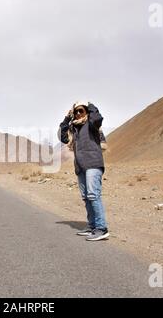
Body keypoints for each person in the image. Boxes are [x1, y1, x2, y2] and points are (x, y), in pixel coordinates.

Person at [59, 101, 109, 241]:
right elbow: (63, 136)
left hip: (93, 163)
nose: (78, 114)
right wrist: (67, 118)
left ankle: (101, 228)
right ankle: (92, 226)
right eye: (76, 112)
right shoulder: (74, 128)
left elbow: (98, 117)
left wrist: (89, 104)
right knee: (86, 197)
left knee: (93, 195)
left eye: (81, 111)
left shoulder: (92, 124)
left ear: (86, 111)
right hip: (80, 166)